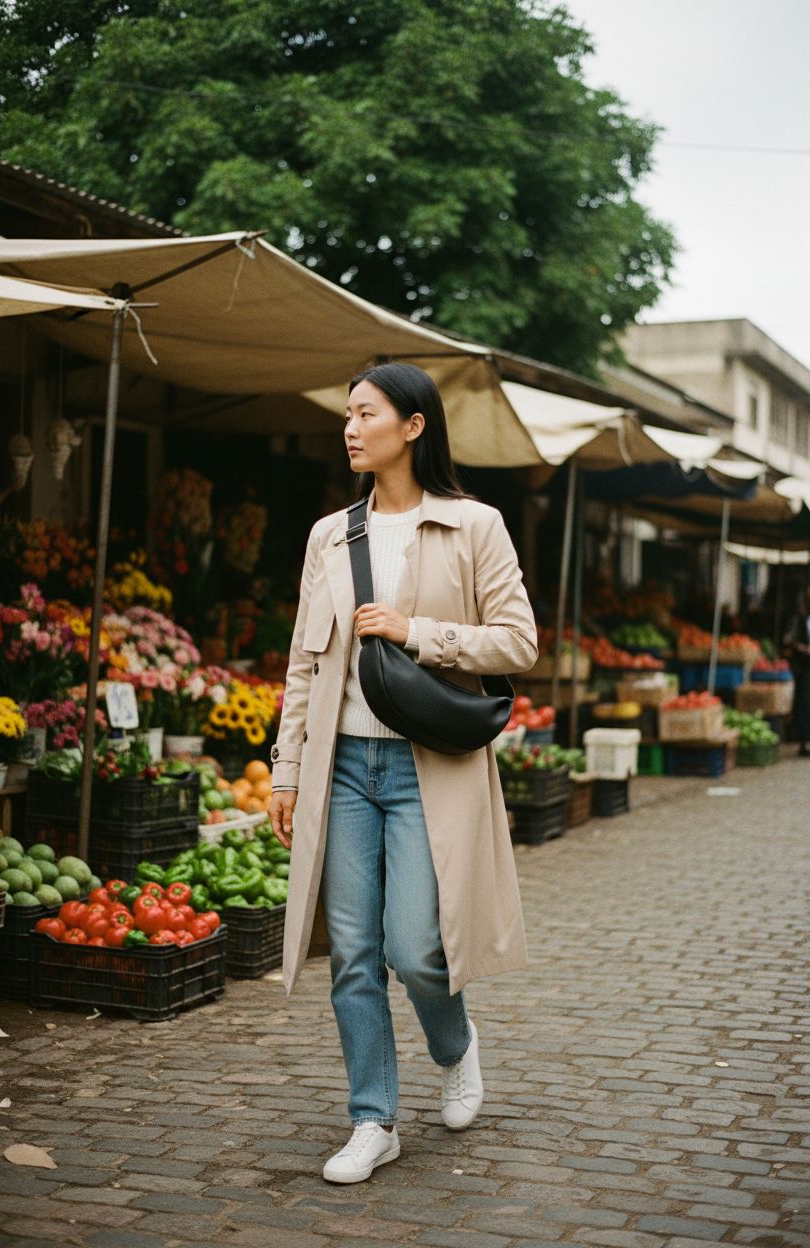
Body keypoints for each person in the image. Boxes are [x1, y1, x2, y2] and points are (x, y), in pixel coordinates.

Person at [268, 362, 537, 1184]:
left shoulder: (474, 524)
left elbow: (519, 642)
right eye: (347, 415)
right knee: (351, 952)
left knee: (418, 948)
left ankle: (455, 1048)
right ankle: (373, 1119)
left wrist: (419, 630)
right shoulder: (330, 536)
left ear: (413, 426)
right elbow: (304, 666)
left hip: (429, 766)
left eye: (366, 413)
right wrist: (286, 769)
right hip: (341, 768)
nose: (351, 428)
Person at [786, 585, 810, 755]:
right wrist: (803, 649)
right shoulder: (799, 618)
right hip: (804, 667)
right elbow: (791, 639)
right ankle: (803, 741)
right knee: (804, 703)